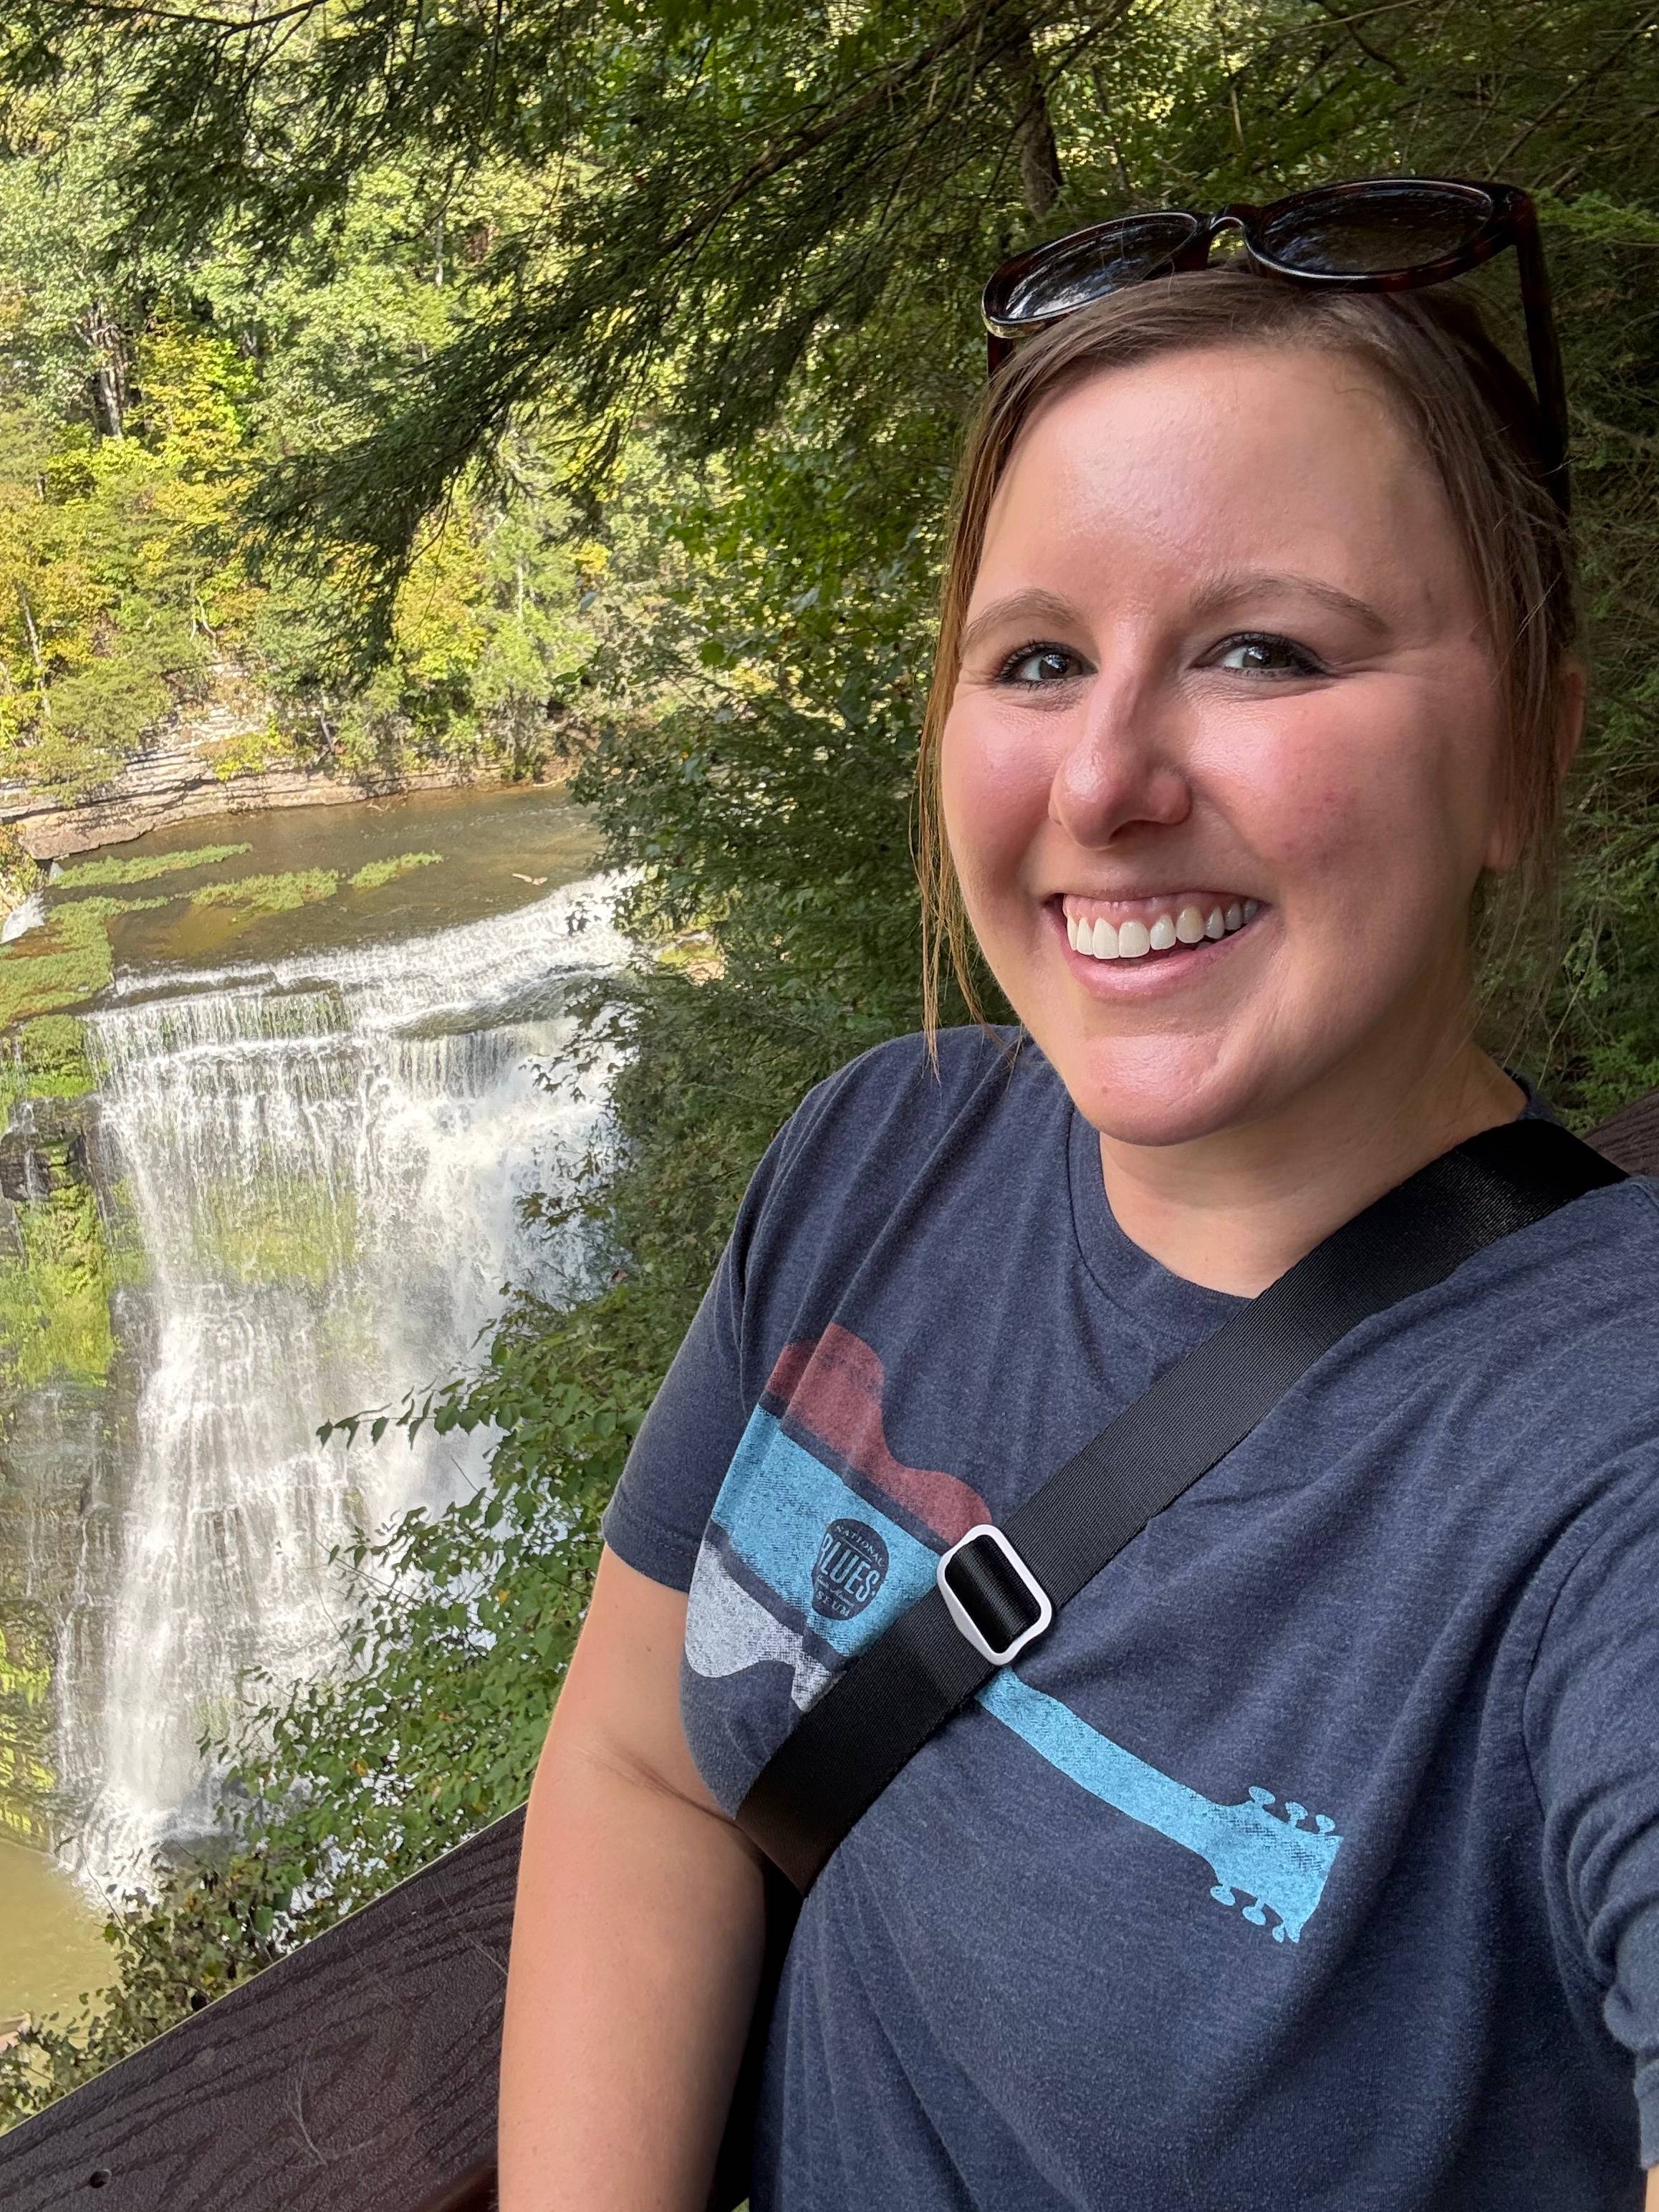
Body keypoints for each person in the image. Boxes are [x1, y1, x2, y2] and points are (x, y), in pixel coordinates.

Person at [499, 182, 1659, 2210]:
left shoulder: (1598, 1465)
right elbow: (637, 1770)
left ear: (1520, 759)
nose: (1104, 780)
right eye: (1034, 658)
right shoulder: (877, 1152)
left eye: (1260, 650)